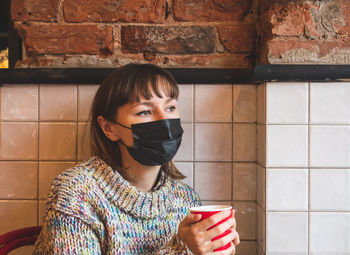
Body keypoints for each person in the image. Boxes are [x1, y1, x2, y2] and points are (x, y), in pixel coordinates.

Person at [33, 63, 240, 254]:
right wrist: (180, 249)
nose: (165, 120)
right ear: (109, 128)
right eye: (144, 112)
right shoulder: (76, 193)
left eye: (170, 108)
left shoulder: (186, 201)